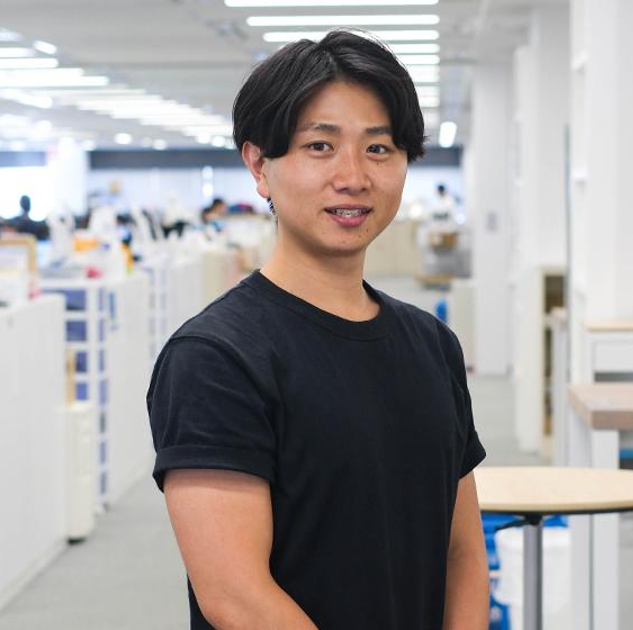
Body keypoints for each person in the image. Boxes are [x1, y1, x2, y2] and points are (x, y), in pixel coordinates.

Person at [147, 29, 488, 629]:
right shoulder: (216, 358)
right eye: (320, 147)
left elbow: (462, 555)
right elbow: (236, 596)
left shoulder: (432, 345)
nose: (353, 176)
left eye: (378, 148)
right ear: (259, 165)